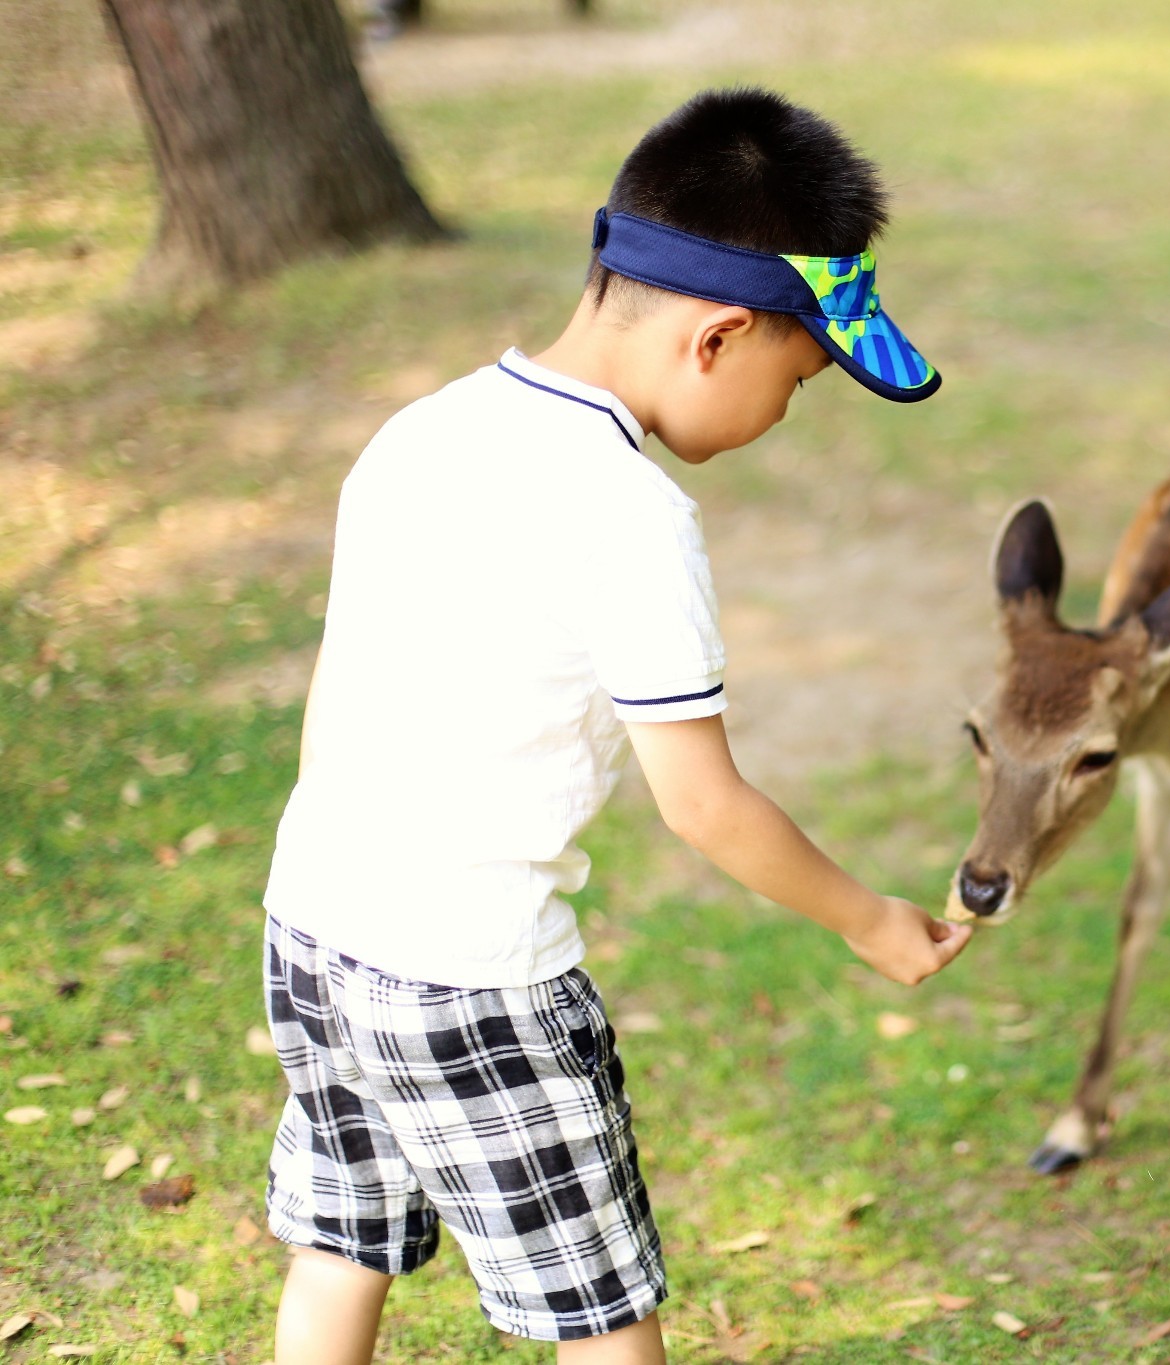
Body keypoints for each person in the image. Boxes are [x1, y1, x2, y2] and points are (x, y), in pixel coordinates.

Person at [259, 87, 972, 1365]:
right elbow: (701, 803)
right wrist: (872, 921)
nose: (784, 414)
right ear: (718, 338)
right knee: (598, 1320)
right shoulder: (629, 515)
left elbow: (334, 694)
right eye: (798, 380)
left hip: (315, 927)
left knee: (342, 1243)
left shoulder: (420, 432)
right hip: (474, 979)